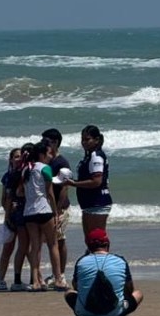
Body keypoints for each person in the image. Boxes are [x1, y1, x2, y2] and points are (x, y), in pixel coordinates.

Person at [65, 228, 143, 316]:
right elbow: (129, 288)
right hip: (114, 312)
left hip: (84, 312)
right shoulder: (120, 260)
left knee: (68, 292)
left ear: (89, 246)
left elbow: (76, 287)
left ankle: (89, 314)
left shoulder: (81, 261)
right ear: (107, 244)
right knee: (138, 294)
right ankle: (116, 313)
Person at [18, 141, 64, 292]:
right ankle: (58, 279)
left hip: (29, 212)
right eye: (49, 153)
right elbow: (49, 193)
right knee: (52, 244)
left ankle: (36, 280)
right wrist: (56, 212)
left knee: (35, 246)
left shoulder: (26, 169)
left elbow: (21, 192)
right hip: (44, 210)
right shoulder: (45, 168)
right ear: (42, 154)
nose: (51, 156)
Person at [65, 125, 113, 233]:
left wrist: (74, 184)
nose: (84, 142)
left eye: (87, 139)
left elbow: (96, 181)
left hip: (97, 202)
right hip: (89, 203)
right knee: (90, 239)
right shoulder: (89, 156)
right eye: (82, 139)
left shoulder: (96, 156)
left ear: (96, 140)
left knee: (97, 240)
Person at [0, 147, 31, 291]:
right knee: (8, 248)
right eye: (15, 156)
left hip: (25, 214)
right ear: (11, 159)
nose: (18, 159)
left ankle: (33, 277)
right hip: (13, 216)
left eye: (20, 156)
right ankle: (1, 279)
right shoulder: (8, 176)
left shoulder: (26, 173)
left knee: (27, 248)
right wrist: (8, 214)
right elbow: (4, 199)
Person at [41, 128, 72, 285]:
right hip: (48, 206)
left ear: (55, 143)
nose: (44, 144)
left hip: (60, 207)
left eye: (46, 141)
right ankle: (56, 273)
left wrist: (58, 209)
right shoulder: (47, 160)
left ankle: (61, 274)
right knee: (52, 240)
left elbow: (65, 188)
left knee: (59, 239)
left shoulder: (61, 162)